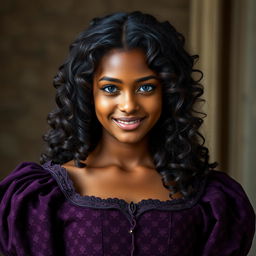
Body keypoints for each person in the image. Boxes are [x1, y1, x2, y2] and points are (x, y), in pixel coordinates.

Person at [0, 11, 255, 256]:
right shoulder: (40, 198)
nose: (129, 105)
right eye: (111, 88)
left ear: (170, 92)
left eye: (146, 87)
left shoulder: (213, 200)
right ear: (88, 95)